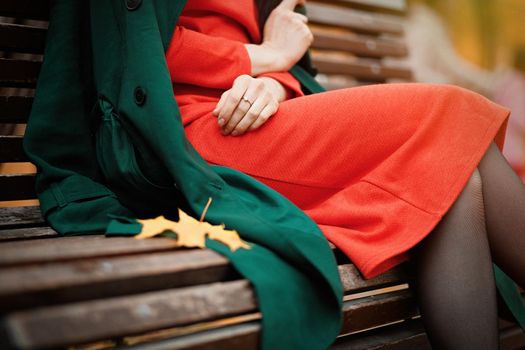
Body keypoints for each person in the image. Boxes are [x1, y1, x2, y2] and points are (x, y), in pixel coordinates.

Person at [165, 0, 525, 348]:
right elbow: (128, 50)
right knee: (455, 117)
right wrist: (265, 56)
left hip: (259, 113)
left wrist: (272, 82)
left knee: (455, 178)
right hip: (185, 131)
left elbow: (290, 55)